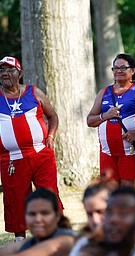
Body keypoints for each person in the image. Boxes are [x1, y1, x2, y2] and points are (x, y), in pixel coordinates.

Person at [0, 56, 63, 241]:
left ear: (20, 74)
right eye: (2, 70)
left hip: (40, 155)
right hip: (11, 159)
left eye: (10, 70)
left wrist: (50, 136)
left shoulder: (33, 92)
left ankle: (53, 235)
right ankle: (20, 240)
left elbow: (53, 116)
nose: (5, 73)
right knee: (15, 198)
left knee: (48, 193)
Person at [87, 54, 135, 189]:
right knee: (108, 188)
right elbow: (90, 120)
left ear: (133, 71)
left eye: (123, 68)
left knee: (127, 190)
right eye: (115, 68)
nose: (118, 71)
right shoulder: (104, 92)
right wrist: (105, 116)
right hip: (107, 151)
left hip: (130, 151)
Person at [0, 187, 76, 256]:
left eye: (45, 213)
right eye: (32, 214)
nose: (38, 219)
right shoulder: (29, 243)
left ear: (57, 216)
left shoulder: (67, 239)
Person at [69, 179, 115, 256]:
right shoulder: (82, 243)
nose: (95, 220)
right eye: (89, 214)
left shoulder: (132, 245)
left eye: (101, 212)